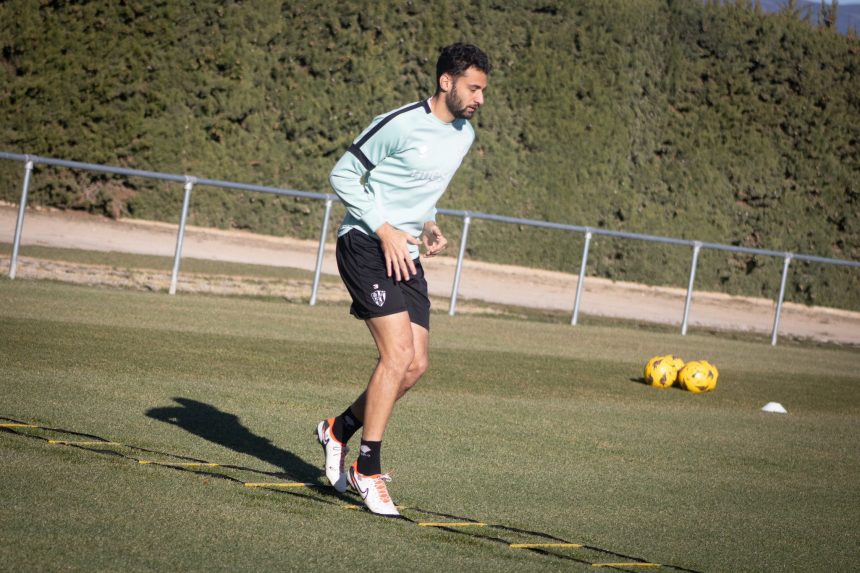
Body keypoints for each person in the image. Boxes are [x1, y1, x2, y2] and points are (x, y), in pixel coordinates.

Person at [315, 42, 491, 516]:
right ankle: (367, 469)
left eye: (484, 90)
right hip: (365, 244)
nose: (479, 98)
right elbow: (343, 174)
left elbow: (420, 192)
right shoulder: (399, 123)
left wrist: (428, 225)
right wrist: (385, 228)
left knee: (415, 366)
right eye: (473, 88)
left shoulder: (464, 135)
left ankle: (338, 430)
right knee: (396, 354)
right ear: (446, 82)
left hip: (405, 251)